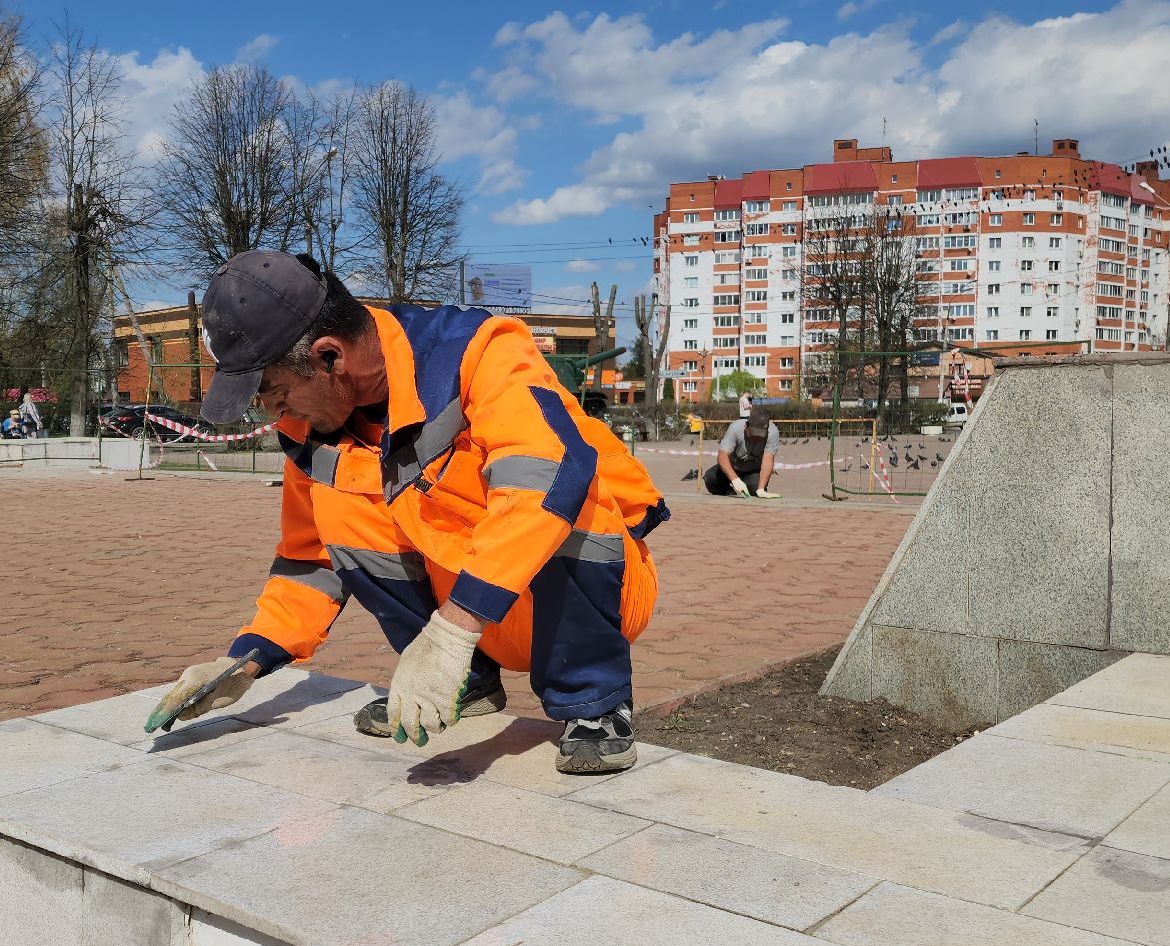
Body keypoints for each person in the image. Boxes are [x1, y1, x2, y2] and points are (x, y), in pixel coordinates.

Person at [147, 251, 670, 774]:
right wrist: (248, 659)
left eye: (275, 392)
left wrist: (452, 634)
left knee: (552, 491)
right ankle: (471, 684)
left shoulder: (478, 351)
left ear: (330, 358)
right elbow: (311, 560)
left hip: (594, 593)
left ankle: (596, 704)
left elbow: (549, 475)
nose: (271, 411)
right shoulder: (310, 434)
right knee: (344, 512)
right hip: (470, 615)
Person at [706, 409, 782, 498]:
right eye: (753, 434)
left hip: (754, 470)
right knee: (710, 478)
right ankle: (730, 491)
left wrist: (761, 489)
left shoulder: (773, 433)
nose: (756, 438)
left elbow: (768, 461)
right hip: (733, 467)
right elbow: (722, 456)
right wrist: (735, 480)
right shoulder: (735, 428)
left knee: (754, 489)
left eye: (760, 436)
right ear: (746, 425)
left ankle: (757, 488)